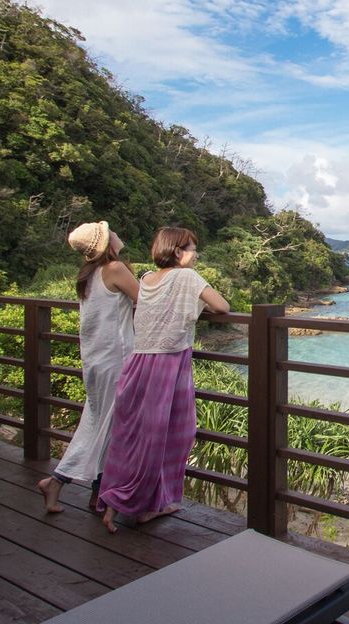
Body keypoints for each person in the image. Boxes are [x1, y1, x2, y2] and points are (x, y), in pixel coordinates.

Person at [99, 227, 230, 532]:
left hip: (138, 363)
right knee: (173, 436)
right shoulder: (186, 278)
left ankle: (127, 502)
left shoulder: (146, 278)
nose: (196, 254)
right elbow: (222, 306)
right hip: (168, 366)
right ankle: (134, 502)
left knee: (135, 438)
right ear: (177, 252)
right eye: (192, 248)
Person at [37, 220, 139, 514]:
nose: (117, 233)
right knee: (110, 426)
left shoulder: (89, 275)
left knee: (101, 423)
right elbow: (146, 300)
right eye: (111, 232)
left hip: (96, 360)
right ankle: (63, 483)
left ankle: (90, 492)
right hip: (116, 361)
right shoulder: (115, 269)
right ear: (106, 243)